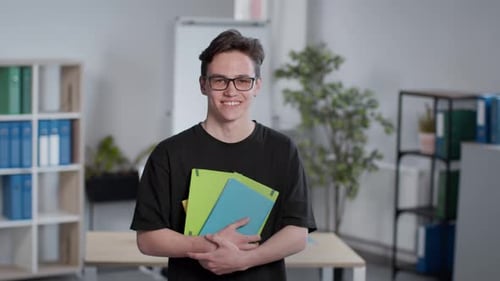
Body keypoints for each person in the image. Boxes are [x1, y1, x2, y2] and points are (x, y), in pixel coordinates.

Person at [130, 29, 316, 281]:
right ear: (203, 85)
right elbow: (148, 239)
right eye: (220, 80)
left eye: (242, 80)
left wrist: (243, 260)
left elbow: (297, 233)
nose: (231, 91)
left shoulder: (282, 149)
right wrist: (209, 245)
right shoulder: (169, 154)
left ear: (257, 86)